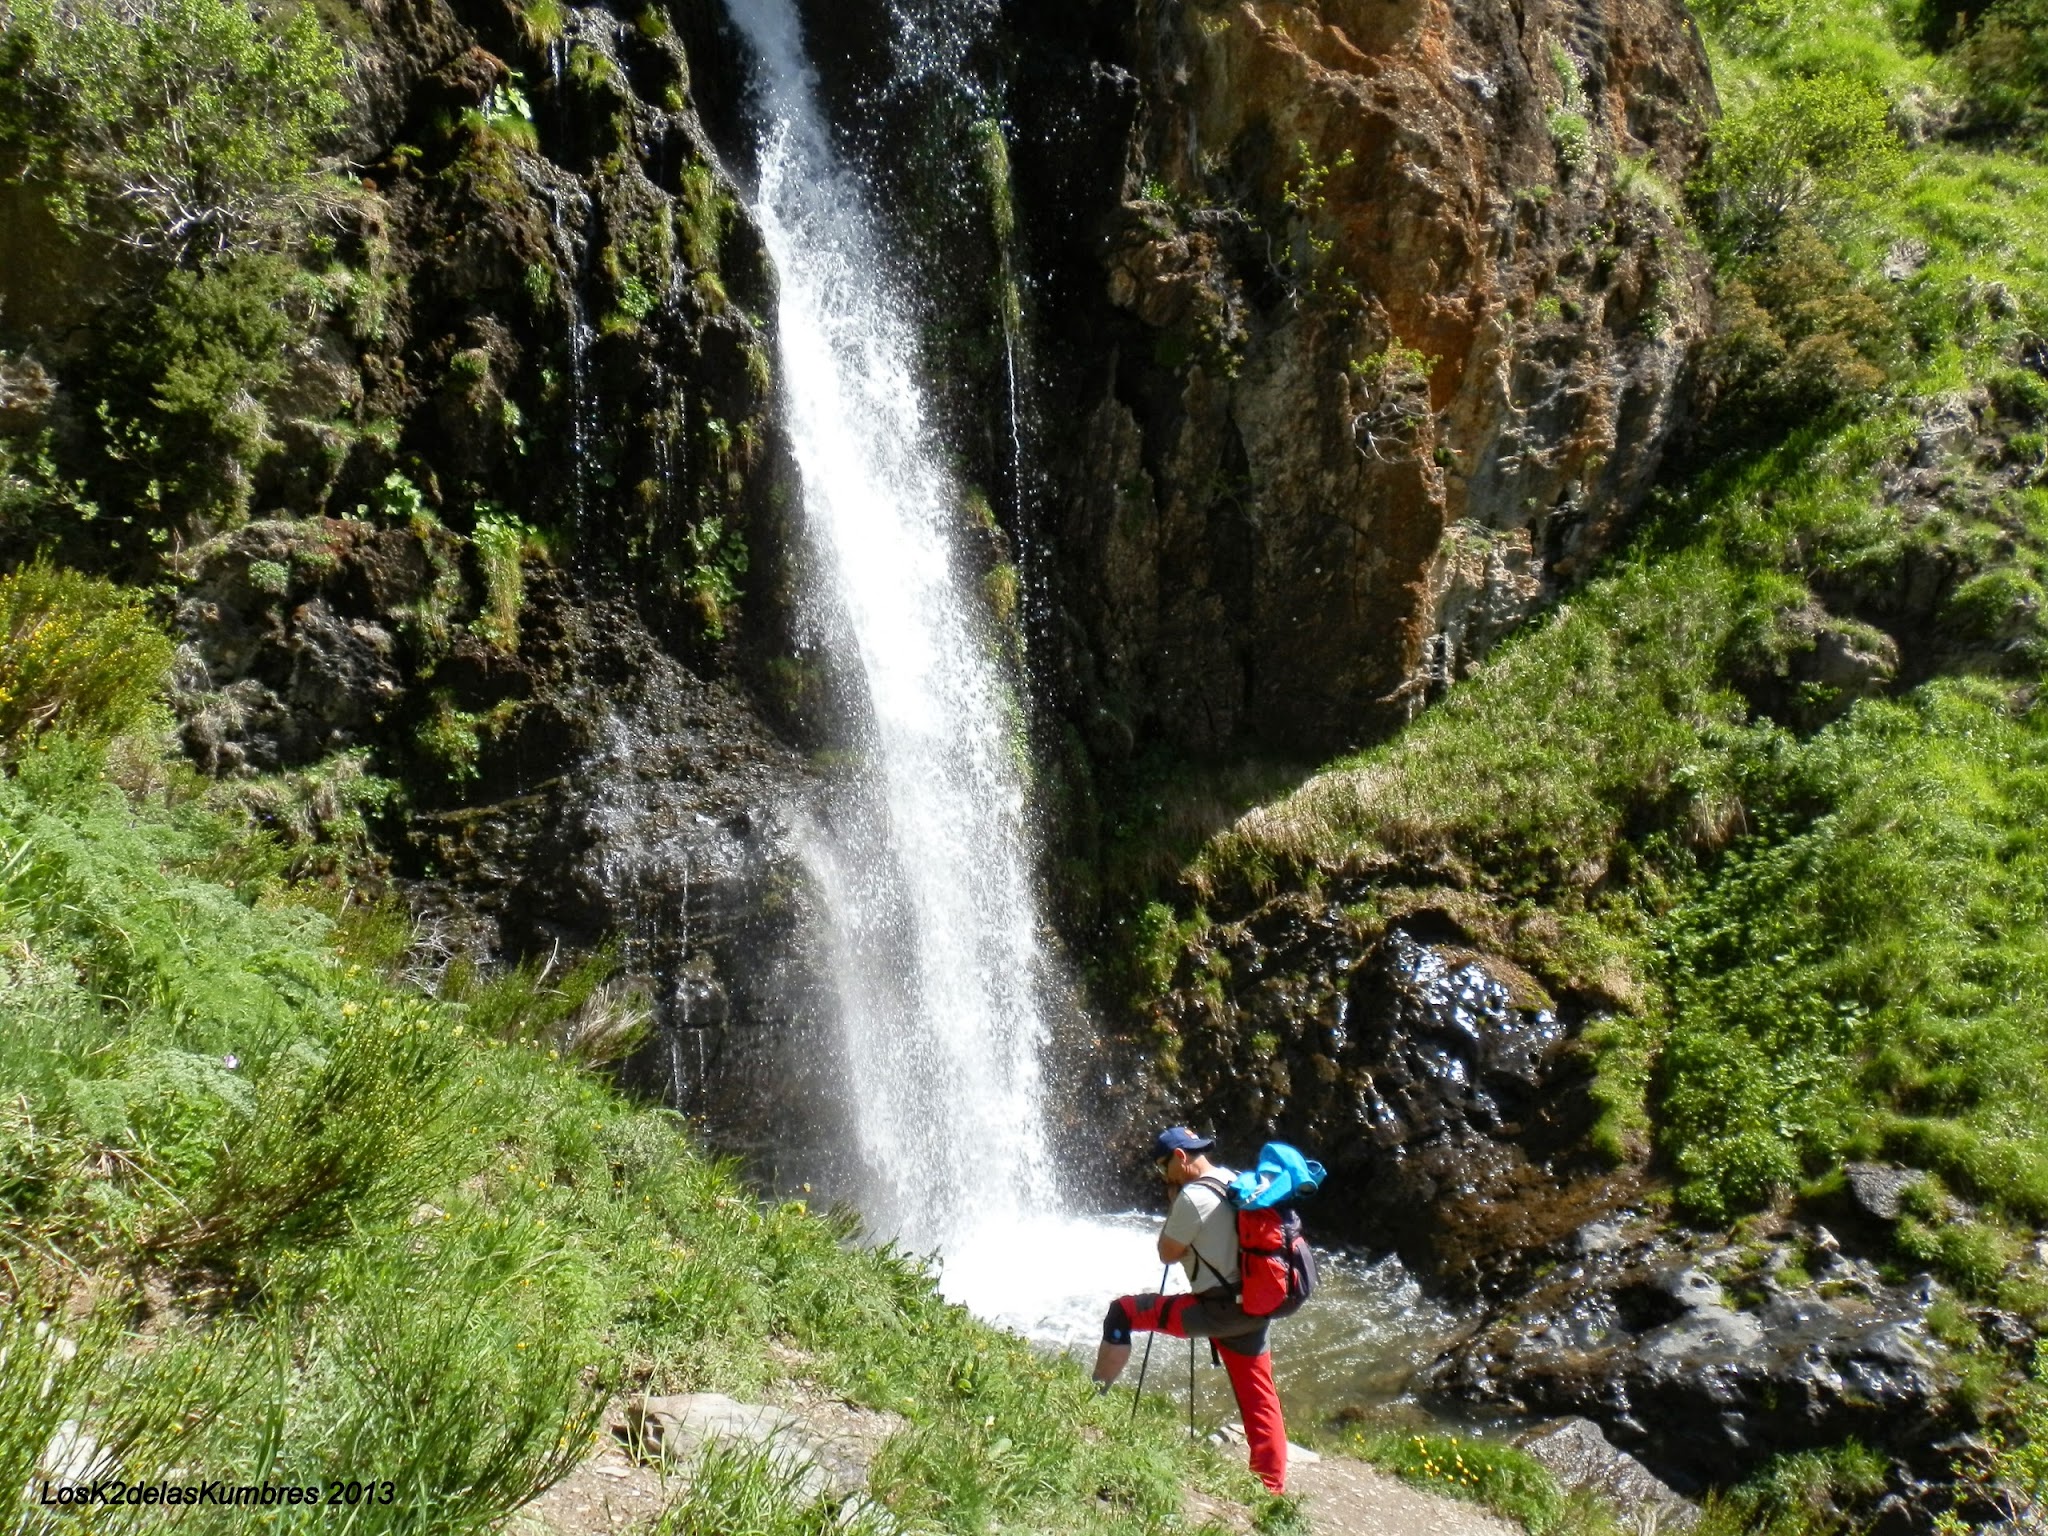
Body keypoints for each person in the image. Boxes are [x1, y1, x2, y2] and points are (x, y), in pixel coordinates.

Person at [1092, 1126, 1288, 1493]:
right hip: (1254, 1303)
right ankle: (1271, 1488)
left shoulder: (1192, 1198)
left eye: (1163, 1167)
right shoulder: (1235, 1180)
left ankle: (1092, 1399)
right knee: (1260, 1398)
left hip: (1216, 1311)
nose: (1163, 1176)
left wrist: (1174, 1203)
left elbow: (1167, 1252)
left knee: (1123, 1313)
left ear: (1180, 1159)